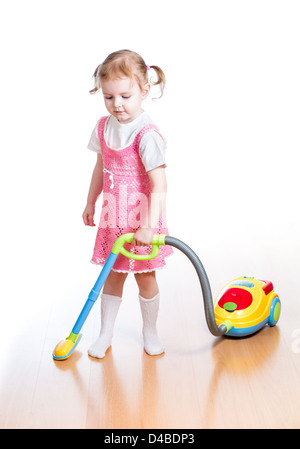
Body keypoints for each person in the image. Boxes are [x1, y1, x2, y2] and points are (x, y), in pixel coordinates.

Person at [82, 49, 173, 359]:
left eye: (125, 95)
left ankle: (150, 330)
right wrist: (91, 202)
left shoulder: (147, 135)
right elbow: (99, 167)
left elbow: (160, 184)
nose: (116, 104)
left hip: (140, 220)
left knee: (145, 277)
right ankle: (105, 332)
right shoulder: (103, 127)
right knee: (112, 275)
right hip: (113, 217)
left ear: (144, 91)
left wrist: (148, 227)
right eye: (109, 97)